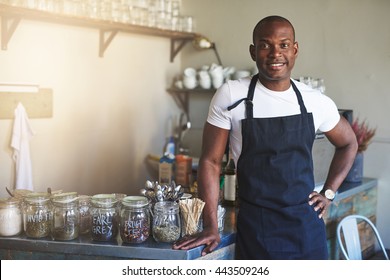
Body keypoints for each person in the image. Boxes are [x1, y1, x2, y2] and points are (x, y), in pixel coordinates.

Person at [172, 15, 358, 259]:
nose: (275, 53)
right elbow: (210, 162)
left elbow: (349, 143)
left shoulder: (314, 101)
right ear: (253, 51)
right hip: (257, 228)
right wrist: (211, 226)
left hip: (306, 229)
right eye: (265, 45)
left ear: (295, 49)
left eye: (283, 44)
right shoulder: (231, 95)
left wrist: (329, 193)